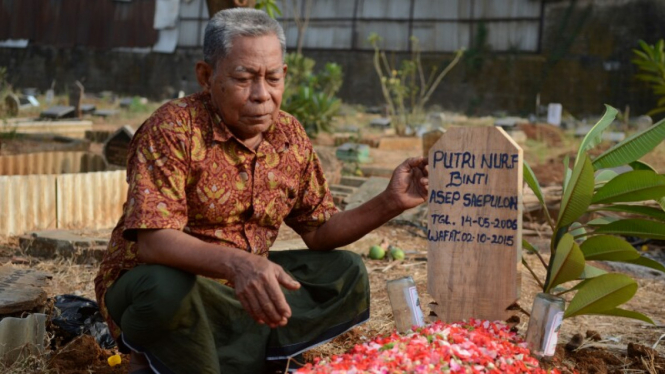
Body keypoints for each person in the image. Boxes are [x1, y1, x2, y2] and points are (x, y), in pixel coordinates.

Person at [94, 7, 429, 374]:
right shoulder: (173, 129)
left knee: (343, 271)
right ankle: (154, 353)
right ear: (206, 76)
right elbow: (153, 241)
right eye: (244, 78)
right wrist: (241, 264)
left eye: (272, 78)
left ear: (284, 75)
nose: (262, 95)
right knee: (165, 290)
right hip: (158, 285)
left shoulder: (290, 135)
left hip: (240, 292)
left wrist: (391, 200)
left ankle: (254, 352)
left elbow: (319, 232)